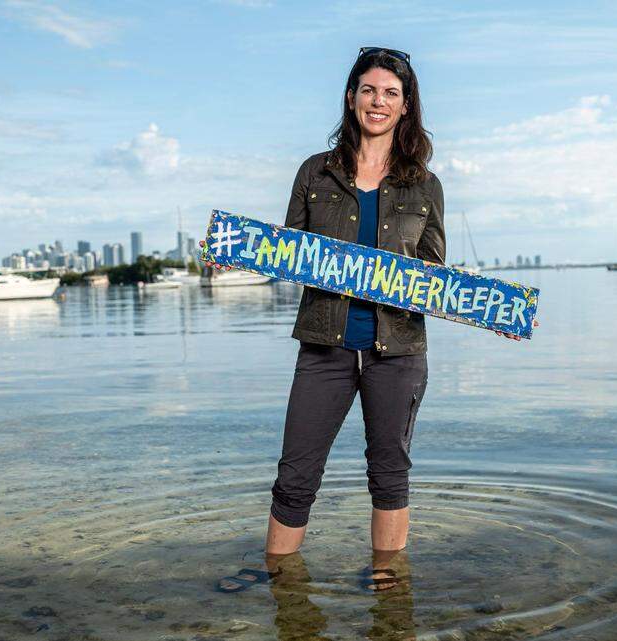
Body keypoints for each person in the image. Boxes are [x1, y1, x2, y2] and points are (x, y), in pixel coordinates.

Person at [213, 46, 528, 594]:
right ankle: (279, 577)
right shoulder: (315, 171)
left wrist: (483, 308)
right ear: (351, 98)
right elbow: (289, 251)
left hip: (398, 351)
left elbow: (432, 270)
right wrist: (237, 253)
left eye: (390, 93)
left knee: (389, 474)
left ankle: (389, 581)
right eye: (368, 90)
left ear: (406, 106)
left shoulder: (424, 185)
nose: (377, 101)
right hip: (324, 347)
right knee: (295, 473)